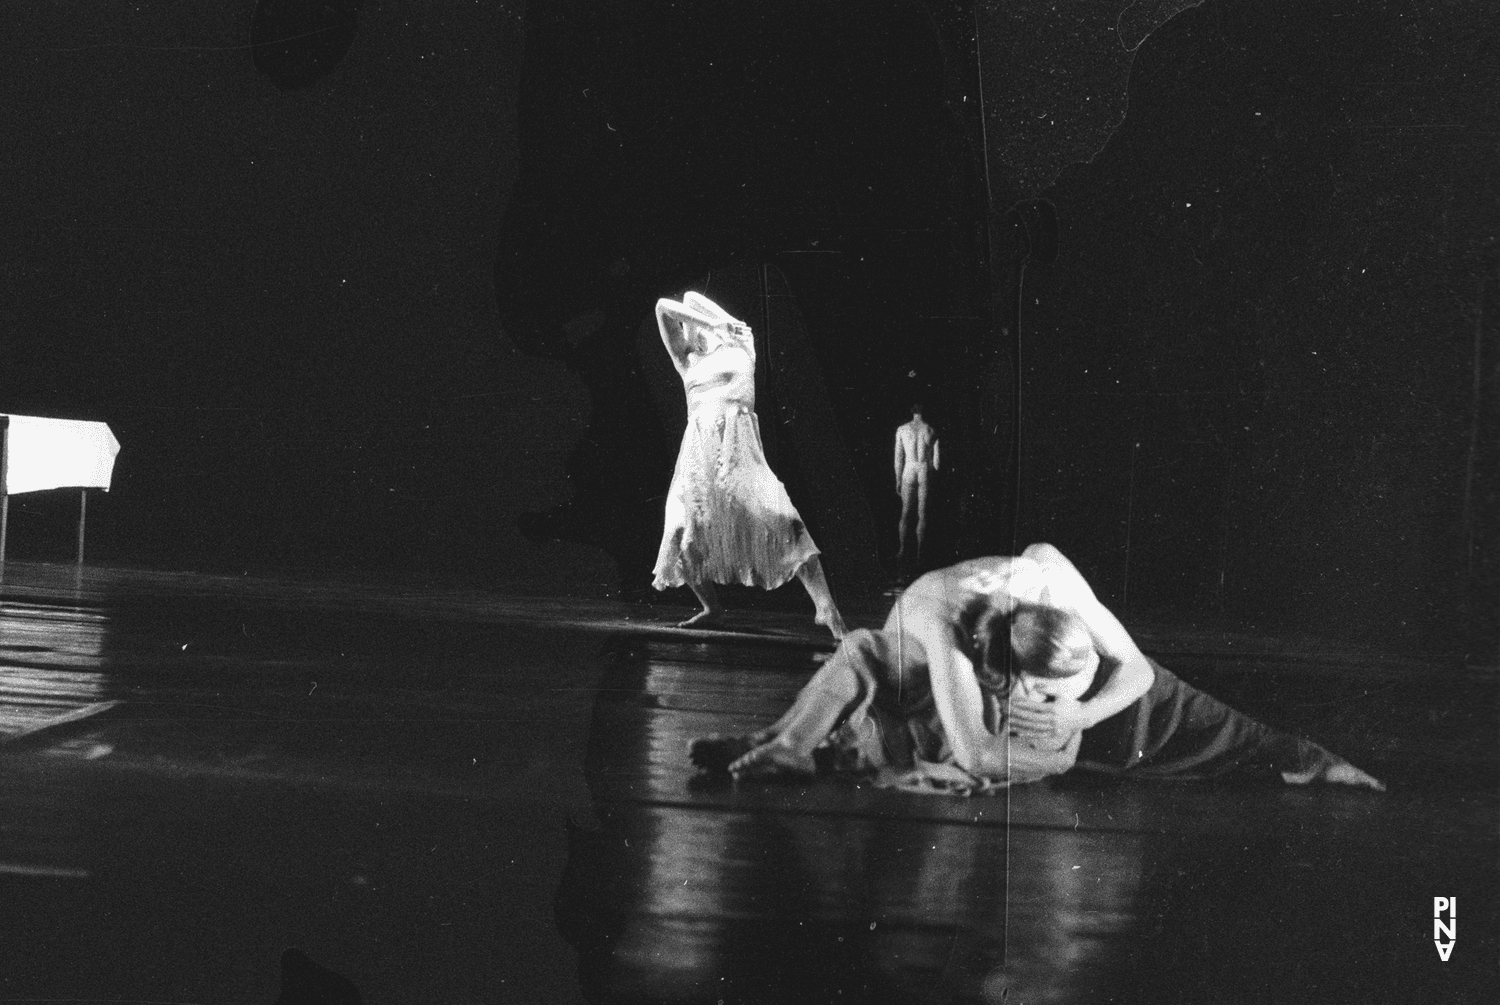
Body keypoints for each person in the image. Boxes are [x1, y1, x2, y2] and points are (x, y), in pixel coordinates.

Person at [691, 543, 1384, 792]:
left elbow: (1135, 669)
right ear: (1015, 678)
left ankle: (1303, 757)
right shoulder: (942, 621)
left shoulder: (1048, 574)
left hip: (1043, 696)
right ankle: (785, 743)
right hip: (924, 697)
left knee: (1172, 705)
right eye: (1051, 686)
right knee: (862, 654)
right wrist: (1060, 755)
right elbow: (978, 752)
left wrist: (1079, 709)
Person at [651, 292, 847, 638]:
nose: (690, 327)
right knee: (681, 528)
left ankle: (826, 609)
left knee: (784, 519)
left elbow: (693, 297)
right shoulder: (687, 361)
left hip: (740, 453)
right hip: (698, 455)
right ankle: (712, 608)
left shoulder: (742, 346)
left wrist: (719, 324)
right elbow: (664, 307)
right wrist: (709, 323)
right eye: (690, 325)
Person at [893, 404, 940, 574]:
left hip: (909, 470)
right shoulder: (931, 430)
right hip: (923, 471)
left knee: (905, 512)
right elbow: (936, 464)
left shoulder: (902, 430)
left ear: (911, 411)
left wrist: (898, 479)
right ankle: (920, 553)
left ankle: (902, 550)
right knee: (922, 514)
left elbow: (898, 457)